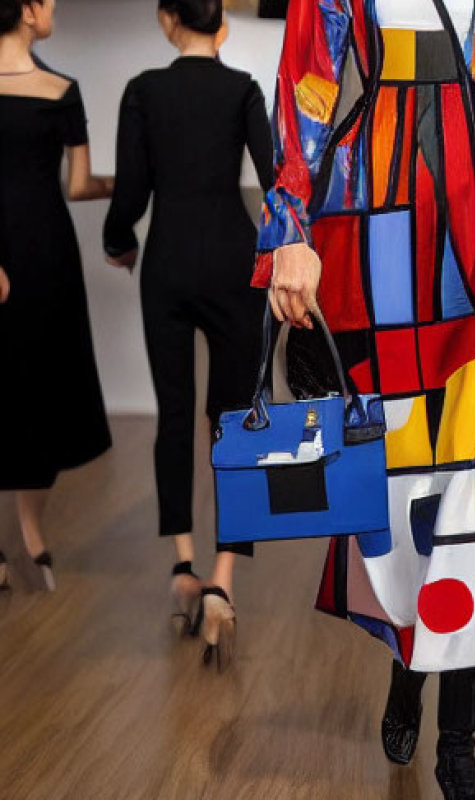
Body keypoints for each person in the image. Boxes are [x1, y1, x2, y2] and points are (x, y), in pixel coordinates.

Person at [254, 1, 475, 796]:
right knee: (397, 484)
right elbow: (305, 84)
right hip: (372, 220)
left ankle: (459, 745)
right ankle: (413, 662)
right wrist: (289, 227)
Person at [103, 0, 273, 667]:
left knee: (175, 414)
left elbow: (132, 195)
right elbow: (274, 177)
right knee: (233, 422)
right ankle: (224, 584)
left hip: (168, 260)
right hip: (235, 261)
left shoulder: (143, 91)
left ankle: (183, 569)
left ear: (167, 20)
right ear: (222, 27)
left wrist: (120, 241)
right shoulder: (243, 89)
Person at [0, 0, 113, 592]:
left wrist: (140, 180)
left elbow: (77, 185)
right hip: (11, 252)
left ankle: (31, 533)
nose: (54, 9)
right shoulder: (60, 88)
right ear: (24, 11)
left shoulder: (62, 88)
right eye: (46, 1)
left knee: (37, 388)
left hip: (46, 255)